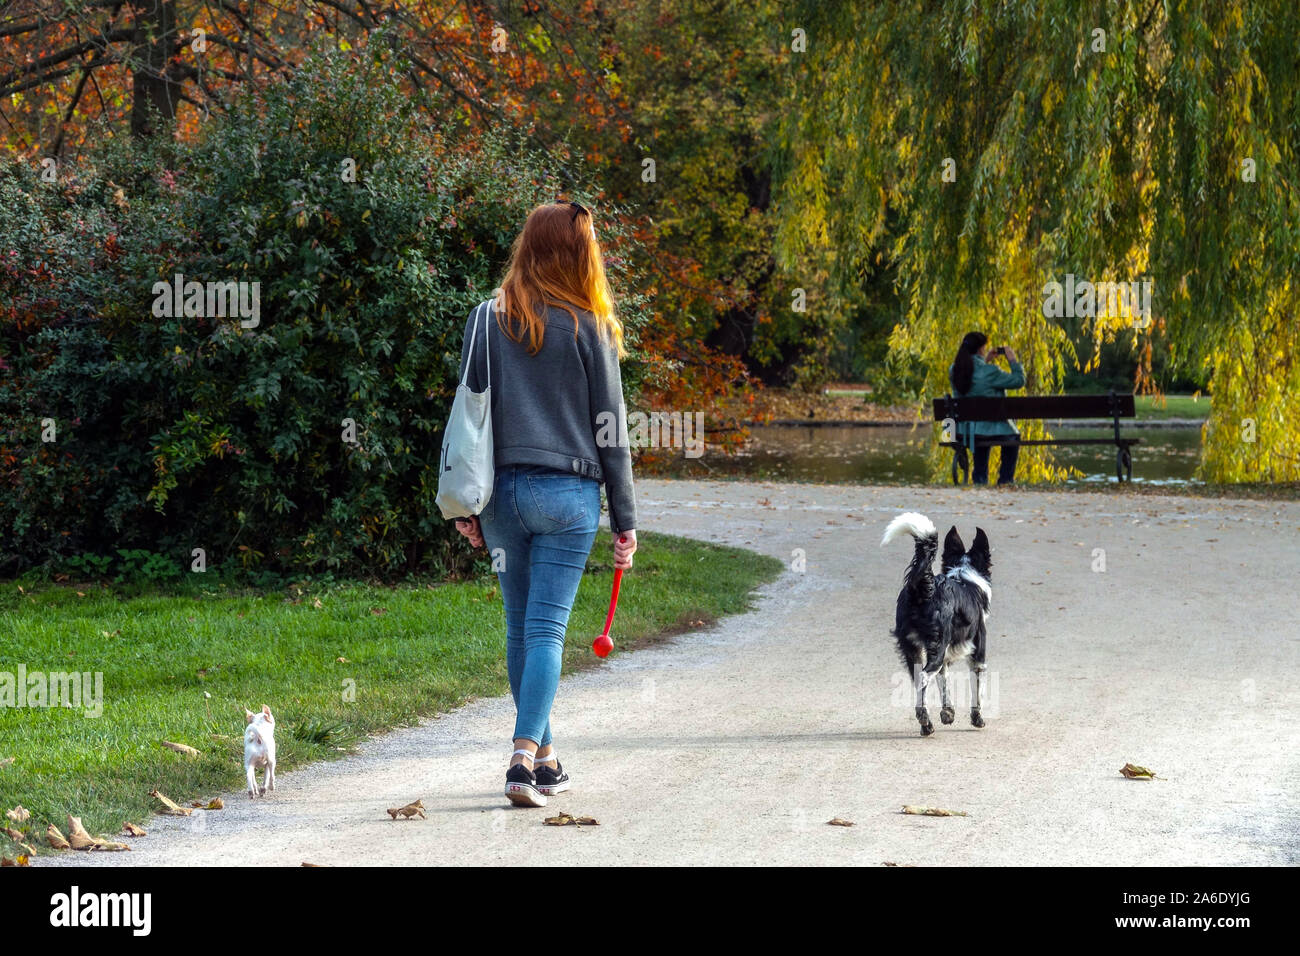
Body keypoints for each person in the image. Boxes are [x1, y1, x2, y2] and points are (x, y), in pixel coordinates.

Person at [451, 200, 638, 808]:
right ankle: (522, 758)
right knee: (547, 630)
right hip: (568, 495)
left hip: (500, 494)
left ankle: (547, 759)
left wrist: (467, 506)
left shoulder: (486, 319)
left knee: (522, 628)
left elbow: (468, 417)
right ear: (578, 253)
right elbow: (610, 427)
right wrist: (626, 519)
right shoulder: (589, 326)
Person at [949, 331, 1025, 485]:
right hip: (990, 429)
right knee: (1012, 436)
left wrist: (985, 361)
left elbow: (975, 376)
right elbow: (1019, 381)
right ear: (980, 349)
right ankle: (1005, 480)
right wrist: (1012, 359)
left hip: (965, 430)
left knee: (979, 431)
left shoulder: (955, 369)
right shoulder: (991, 372)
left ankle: (980, 479)